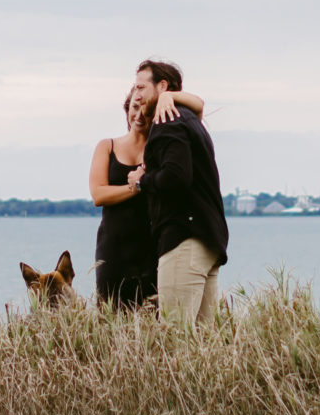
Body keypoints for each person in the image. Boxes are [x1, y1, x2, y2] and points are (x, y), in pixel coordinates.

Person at [129, 59, 229, 327]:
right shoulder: (190, 121)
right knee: (204, 342)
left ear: (162, 86)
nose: (136, 95)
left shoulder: (167, 121)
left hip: (185, 239)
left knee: (175, 335)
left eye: (141, 87)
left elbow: (175, 178)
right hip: (209, 239)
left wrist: (142, 180)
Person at [86, 83, 204, 310]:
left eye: (144, 109)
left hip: (152, 246)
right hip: (113, 248)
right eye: (133, 107)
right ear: (126, 109)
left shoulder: (161, 147)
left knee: (152, 316)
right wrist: (136, 186)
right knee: (111, 317)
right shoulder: (107, 146)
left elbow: (198, 109)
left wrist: (169, 96)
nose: (138, 115)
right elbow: (99, 194)